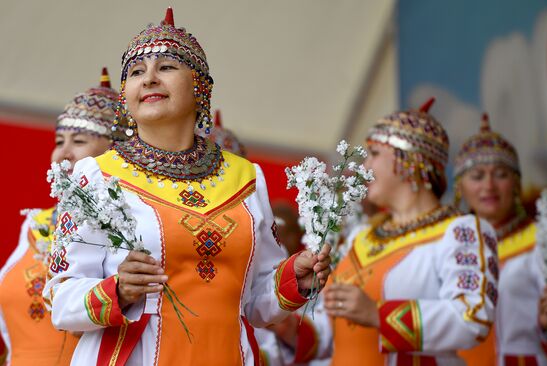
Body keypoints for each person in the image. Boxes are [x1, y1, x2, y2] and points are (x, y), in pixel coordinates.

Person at [43, 8, 331, 366]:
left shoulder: (245, 178)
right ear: (125, 97)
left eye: (166, 67)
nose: (148, 79)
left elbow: (255, 301)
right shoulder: (95, 175)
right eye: (135, 72)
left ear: (200, 86)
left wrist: (294, 279)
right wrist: (116, 289)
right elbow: (58, 297)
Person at [274, 98, 498, 365]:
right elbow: (333, 329)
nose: (364, 167)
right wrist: (288, 328)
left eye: (374, 154)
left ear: (410, 160)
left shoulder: (461, 232)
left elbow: (472, 317)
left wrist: (379, 314)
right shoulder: (362, 236)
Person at [0, 68, 120, 365]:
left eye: (79, 142)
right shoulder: (35, 225)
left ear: (115, 153)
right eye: (58, 141)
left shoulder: (128, 229)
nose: (62, 154)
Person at [455, 114, 547, 365]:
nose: (489, 186)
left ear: (516, 184)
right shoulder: (450, 246)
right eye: (477, 176)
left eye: (500, 174)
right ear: (460, 188)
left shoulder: (541, 241)